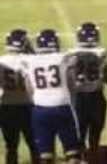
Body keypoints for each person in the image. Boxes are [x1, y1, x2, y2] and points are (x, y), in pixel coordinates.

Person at [20, 30, 82, 164]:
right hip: (62, 106)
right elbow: (71, 83)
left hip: (40, 109)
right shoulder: (64, 58)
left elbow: (28, 88)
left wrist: (36, 100)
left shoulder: (29, 61)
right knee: (72, 153)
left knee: (45, 155)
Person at [71, 23, 107, 152]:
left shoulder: (70, 54)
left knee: (78, 138)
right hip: (96, 98)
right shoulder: (103, 53)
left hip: (78, 99)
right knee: (95, 139)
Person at [0, 29, 37, 164]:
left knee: (11, 147)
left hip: (6, 106)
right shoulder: (32, 60)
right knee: (34, 145)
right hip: (27, 106)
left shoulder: (1, 61)